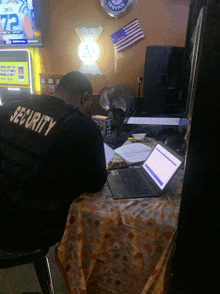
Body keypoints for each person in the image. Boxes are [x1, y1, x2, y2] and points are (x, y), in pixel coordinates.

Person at [0, 71, 107, 251]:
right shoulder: (82, 127)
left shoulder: (10, 108)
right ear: (85, 97)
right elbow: (95, 184)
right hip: (29, 229)